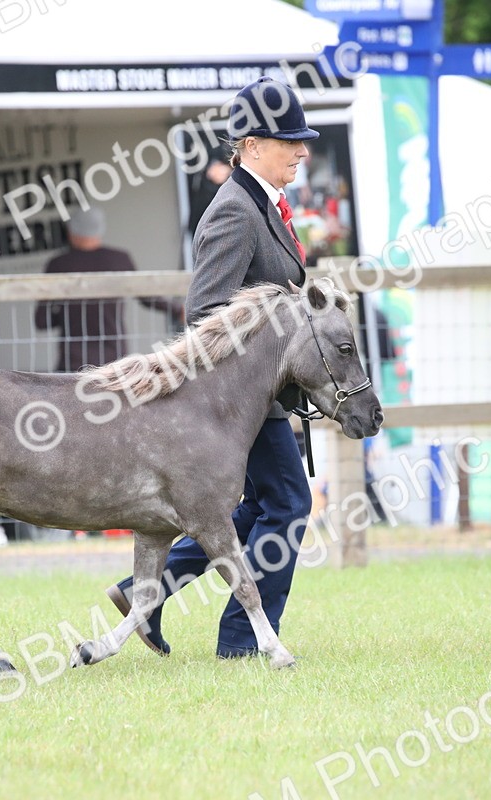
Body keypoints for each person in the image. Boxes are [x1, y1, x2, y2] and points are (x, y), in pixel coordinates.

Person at [104, 76, 318, 659]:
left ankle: (142, 592)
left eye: (301, 140)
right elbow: (206, 312)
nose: (302, 151)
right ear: (251, 145)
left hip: (258, 399)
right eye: (289, 141)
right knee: (289, 506)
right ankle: (242, 640)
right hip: (240, 402)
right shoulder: (234, 212)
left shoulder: (260, 204)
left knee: (252, 508)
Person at [34, 206, 183, 373]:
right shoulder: (119, 260)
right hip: (115, 360)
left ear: (70, 231)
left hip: (72, 363)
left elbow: (42, 321)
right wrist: (179, 310)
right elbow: (147, 297)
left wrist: (68, 313)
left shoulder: (57, 265)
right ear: (100, 229)